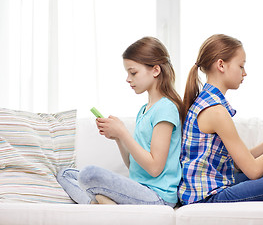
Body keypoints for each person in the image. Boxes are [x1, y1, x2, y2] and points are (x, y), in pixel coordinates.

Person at [57, 37, 183, 207]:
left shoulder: (166, 109)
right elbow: (133, 164)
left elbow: (154, 168)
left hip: (157, 196)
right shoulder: (144, 110)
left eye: (133, 72)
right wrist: (118, 138)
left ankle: (98, 203)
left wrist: (123, 132)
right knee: (65, 174)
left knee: (89, 174)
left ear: (155, 70)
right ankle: (98, 204)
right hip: (139, 188)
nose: (128, 79)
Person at [178, 34, 263, 205]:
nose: (245, 73)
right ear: (221, 65)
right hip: (208, 198)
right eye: (241, 66)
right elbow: (254, 171)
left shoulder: (205, 102)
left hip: (208, 188)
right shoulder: (216, 112)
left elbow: (240, 162)